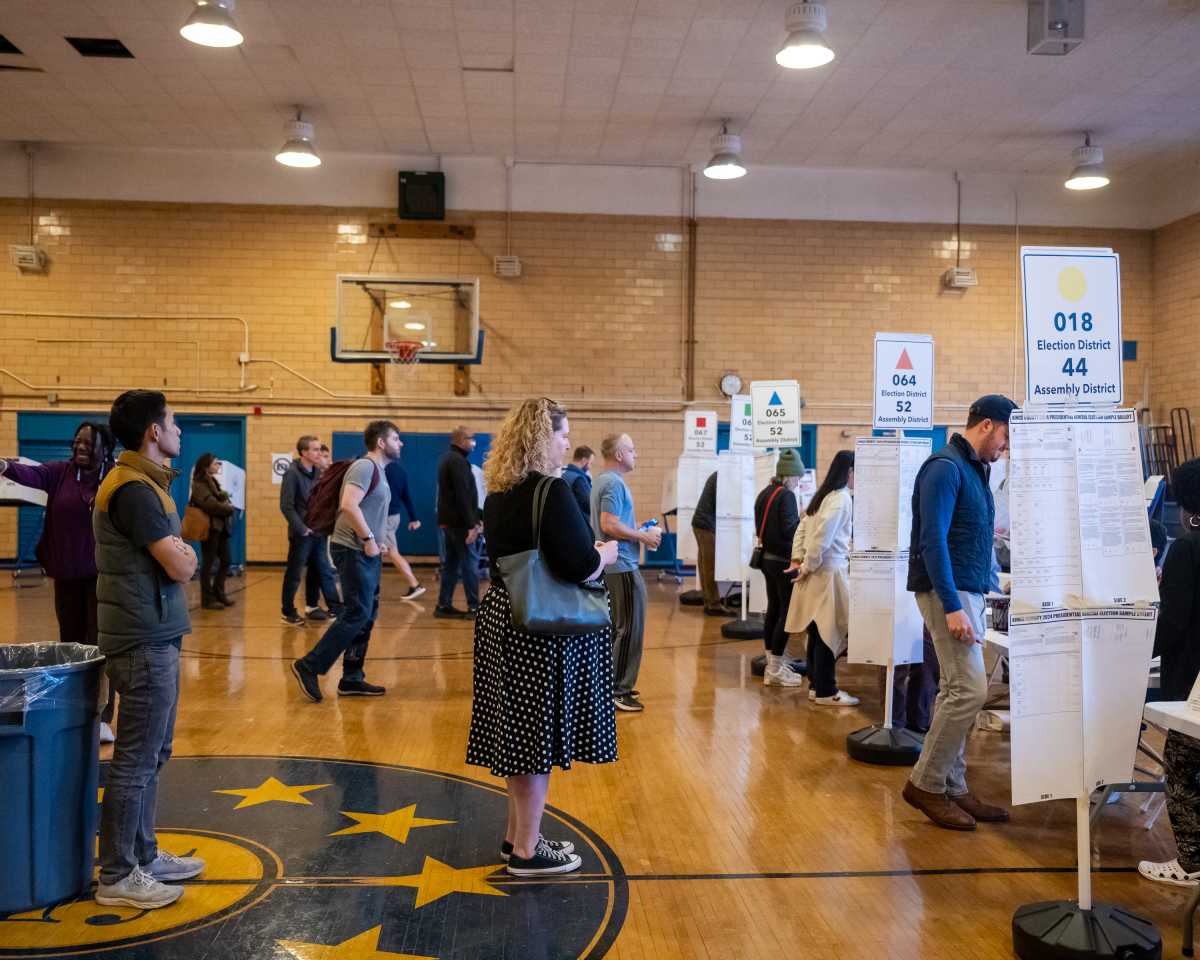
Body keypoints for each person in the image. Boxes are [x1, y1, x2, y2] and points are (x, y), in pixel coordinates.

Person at [465, 398, 619, 876]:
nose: (567, 441)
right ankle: (529, 853)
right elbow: (576, 563)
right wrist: (605, 555)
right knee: (535, 738)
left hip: (503, 616)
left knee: (518, 733)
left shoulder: (499, 493)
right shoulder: (550, 492)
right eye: (561, 433)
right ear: (539, 438)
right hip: (538, 626)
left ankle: (518, 837)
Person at [93, 390, 203, 909]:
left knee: (153, 753)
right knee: (135, 760)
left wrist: (182, 553)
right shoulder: (134, 490)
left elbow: (177, 559)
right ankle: (117, 875)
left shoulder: (147, 484)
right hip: (142, 640)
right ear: (153, 433)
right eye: (174, 423)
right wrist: (186, 556)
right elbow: (180, 566)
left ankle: (144, 855)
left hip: (154, 633)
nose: (179, 431)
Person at [902, 395, 1015, 831]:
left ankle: (954, 786)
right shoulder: (944, 468)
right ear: (986, 425)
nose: (1004, 448)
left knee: (956, 690)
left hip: (970, 593)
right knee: (968, 691)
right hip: (945, 594)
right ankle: (926, 784)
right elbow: (933, 541)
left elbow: (976, 537)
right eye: (1004, 437)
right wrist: (952, 606)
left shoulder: (974, 470)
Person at [0, 420, 118, 740]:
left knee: (100, 645)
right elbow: (30, 474)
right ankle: (73, 708)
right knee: (71, 643)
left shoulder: (115, 478)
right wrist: (3, 465)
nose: (80, 447)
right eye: (76, 442)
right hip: (67, 576)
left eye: (88, 443)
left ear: (105, 449)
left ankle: (103, 714)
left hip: (103, 579)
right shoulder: (58, 473)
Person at [291, 421, 399, 702]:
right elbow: (349, 505)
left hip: (364, 549)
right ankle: (309, 665)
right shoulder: (365, 467)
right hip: (352, 548)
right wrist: (367, 540)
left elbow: (365, 509)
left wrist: (377, 540)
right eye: (396, 438)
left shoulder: (380, 472)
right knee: (357, 612)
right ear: (381, 443)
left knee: (366, 614)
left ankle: (352, 678)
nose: (402, 443)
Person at [1140, 459, 1200, 886]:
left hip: (1188, 681)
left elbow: (1173, 622)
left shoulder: (1186, 549)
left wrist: (1137, 655)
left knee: (1180, 761)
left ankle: (1192, 861)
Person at [592, 433, 661, 712]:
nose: (637, 454)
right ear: (619, 454)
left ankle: (612, 686)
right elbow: (608, 524)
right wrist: (643, 538)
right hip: (621, 566)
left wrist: (637, 529)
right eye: (632, 450)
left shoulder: (603, 481)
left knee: (619, 627)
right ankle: (619, 691)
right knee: (629, 628)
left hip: (614, 566)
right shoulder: (612, 483)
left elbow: (614, 523)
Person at [785, 450, 858, 706]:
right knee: (829, 632)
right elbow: (822, 537)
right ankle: (827, 690)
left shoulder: (823, 496)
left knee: (817, 631)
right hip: (829, 573)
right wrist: (807, 564)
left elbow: (803, 529)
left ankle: (817, 686)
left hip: (819, 572)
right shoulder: (841, 499)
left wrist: (801, 560)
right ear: (849, 471)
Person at [279, 435, 342, 626]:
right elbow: (286, 506)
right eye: (315, 450)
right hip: (302, 533)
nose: (319, 453)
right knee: (295, 573)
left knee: (322, 569)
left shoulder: (316, 472)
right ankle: (288, 612)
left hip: (318, 530)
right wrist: (302, 528)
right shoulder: (292, 473)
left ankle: (332, 608)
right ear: (304, 453)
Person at [756, 450, 805, 686]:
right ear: (788, 475)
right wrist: (802, 523)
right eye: (797, 477)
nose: (798, 482)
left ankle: (771, 662)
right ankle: (775, 669)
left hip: (766, 559)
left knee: (773, 608)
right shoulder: (786, 496)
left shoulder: (764, 493)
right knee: (786, 612)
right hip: (783, 562)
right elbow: (790, 530)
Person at [435, 425, 482, 619]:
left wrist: (478, 516)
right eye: (471, 438)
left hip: (450, 522)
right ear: (461, 440)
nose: (473, 442)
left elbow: (463, 496)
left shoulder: (449, 459)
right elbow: (463, 496)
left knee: (452, 565)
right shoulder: (458, 462)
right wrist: (472, 525)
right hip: (460, 524)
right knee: (470, 564)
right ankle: (474, 607)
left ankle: (443, 605)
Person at [189, 453, 236, 610]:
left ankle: (218, 593)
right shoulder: (199, 483)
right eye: (216, 463)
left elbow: (217, 500)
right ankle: (207, 599)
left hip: (219, 527)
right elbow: (210, 505)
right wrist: (229, 509)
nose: (218, 466)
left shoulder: (212, 481)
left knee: (226, 560)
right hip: (209, 528)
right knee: (208, 564)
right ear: (206, 467)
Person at [383, 449, 426, 600]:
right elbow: (406, 496)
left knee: (392, 552)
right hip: (394, 517)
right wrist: (414, 518)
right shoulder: (400, 471)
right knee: (381, 551)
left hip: (385, 517)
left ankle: (414, 584)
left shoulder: (381, 470)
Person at [691, 470, 725, 616]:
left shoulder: (718, 474)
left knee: (705, 565)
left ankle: (708, 601)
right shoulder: (722, 477)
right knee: (709, 566)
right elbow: (723, 504)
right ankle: (714, 605)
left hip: (701, 523)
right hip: (706, 525)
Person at [562, 445, 595, 519]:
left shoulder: (562, 472)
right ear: (584, 461)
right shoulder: (579, 479)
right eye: (590, 463)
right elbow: (590, 506)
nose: (590, 467)